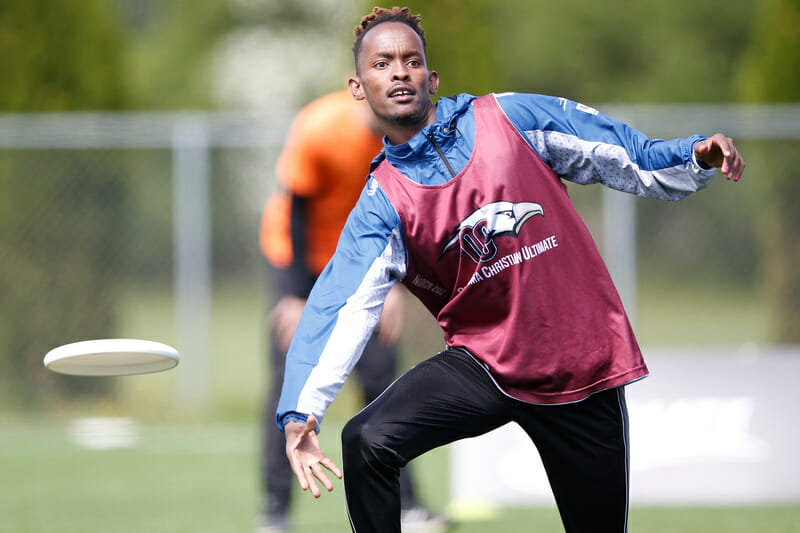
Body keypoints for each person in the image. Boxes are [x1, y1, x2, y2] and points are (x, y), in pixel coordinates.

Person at [277, 7, 746, 533]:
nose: (399, 72)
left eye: (411, 61)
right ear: (358, 88)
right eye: (382, 64)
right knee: (366, 440)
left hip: (579, 366)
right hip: (484, 365)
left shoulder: (510, 117)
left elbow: (621, 151)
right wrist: (300, 412)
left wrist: (694, 155)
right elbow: (339, 307)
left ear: (432, 79)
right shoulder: (382, 202)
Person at [258, 90, 448, 532]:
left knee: (383, 380)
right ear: (358, 88)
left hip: (365, 260)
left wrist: (396, 287)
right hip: (300, 261)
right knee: (291, 384)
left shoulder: (407, 133)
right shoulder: (321, 128)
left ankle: (408, 506)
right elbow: (295, 212)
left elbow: (410, 213)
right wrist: (293, 296)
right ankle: (274, 511)